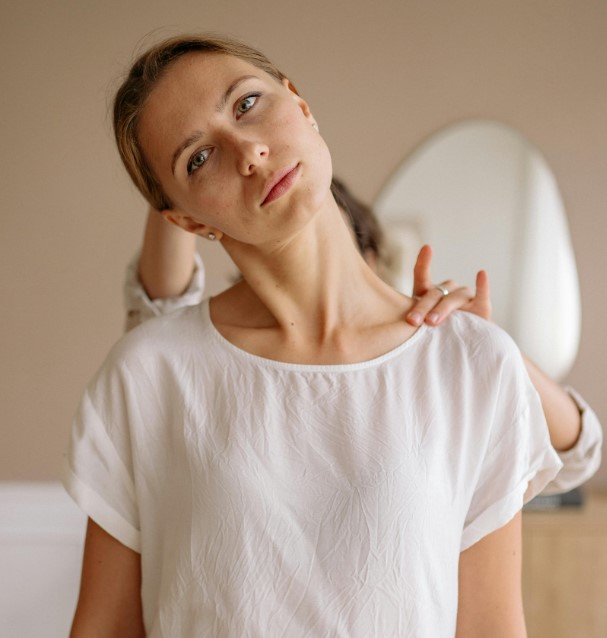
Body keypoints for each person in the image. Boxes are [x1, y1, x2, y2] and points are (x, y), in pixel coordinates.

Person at [65, 34, 564, 636]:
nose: (249, 152)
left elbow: (490, 627)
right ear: (189, 221)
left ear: (300, 104)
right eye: (198, 158)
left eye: (247, 104)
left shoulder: (471, 362)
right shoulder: (148, 373)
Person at [126, 180, 602, 496]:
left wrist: (487, 350)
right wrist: (174, 180)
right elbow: (158, 314)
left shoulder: (431, 358)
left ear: (369, 256)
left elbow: (576, 455)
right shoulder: (189, 358)